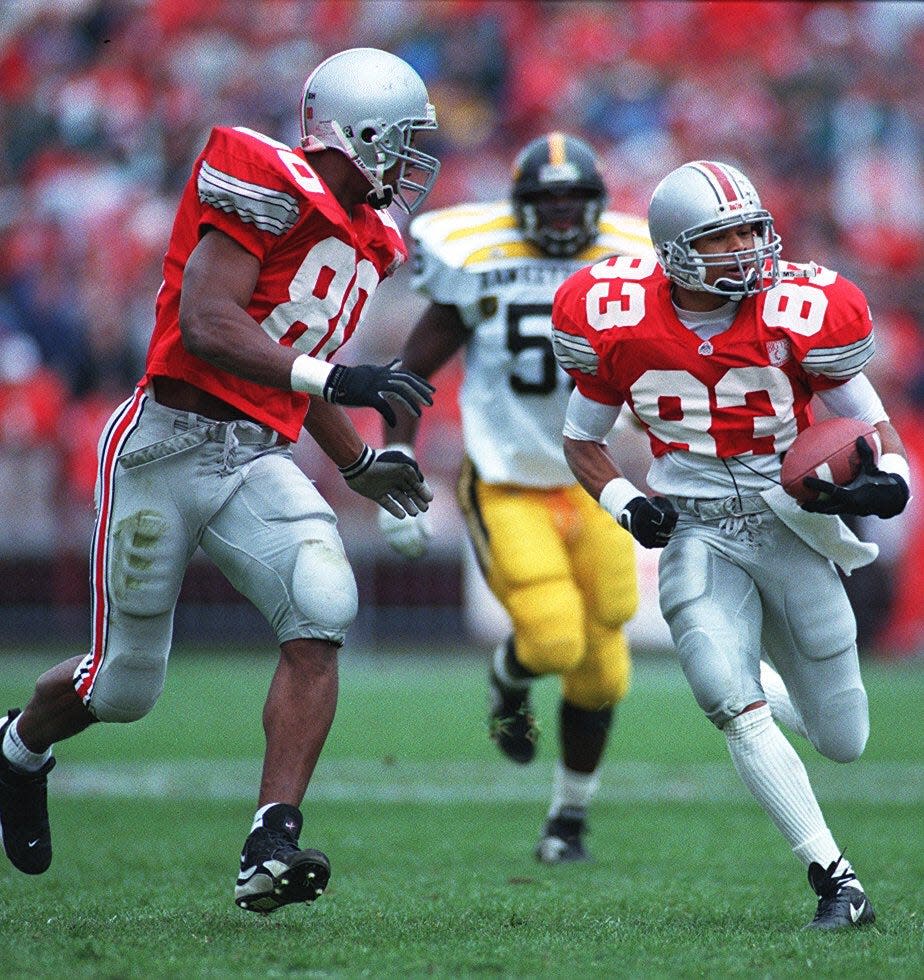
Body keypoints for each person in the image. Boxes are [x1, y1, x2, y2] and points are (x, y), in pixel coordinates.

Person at [0, 47, 442, 915]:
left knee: (323, 606)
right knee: (123, 688)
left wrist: (357, 462)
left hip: (251, 457)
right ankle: (16, 748)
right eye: (403, 140)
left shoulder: (372, 236)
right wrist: (340, 383)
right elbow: (207, 325)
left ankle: (270, 840)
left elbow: (294, 364)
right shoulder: (263, 177)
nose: (414, 162)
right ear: (357, 134)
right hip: (163, 446)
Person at [551, 159, 911, 928]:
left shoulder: (799, 307)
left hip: (792, 525)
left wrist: (893, 480)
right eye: (725, 237)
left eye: (753, 228)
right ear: (676, 249)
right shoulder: (615, 317)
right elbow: (581, 441)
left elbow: (872, 421)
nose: (749, 247)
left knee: (842, 739)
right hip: (698, 529)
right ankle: (835, 880)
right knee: (727, 699)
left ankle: (767, 687)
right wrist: (624, 503)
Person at [379, 133, 653, 863]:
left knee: (606, 658)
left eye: (575, 200)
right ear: (520, 206)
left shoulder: (633, 262)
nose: (562, 216)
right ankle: (507, 686)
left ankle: (567, 822)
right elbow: (411, 369)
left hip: (593, 479)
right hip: (505, 481)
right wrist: (397, 461)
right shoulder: (476, 257)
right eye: (547, 200)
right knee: (554, 639)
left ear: (596, 205)